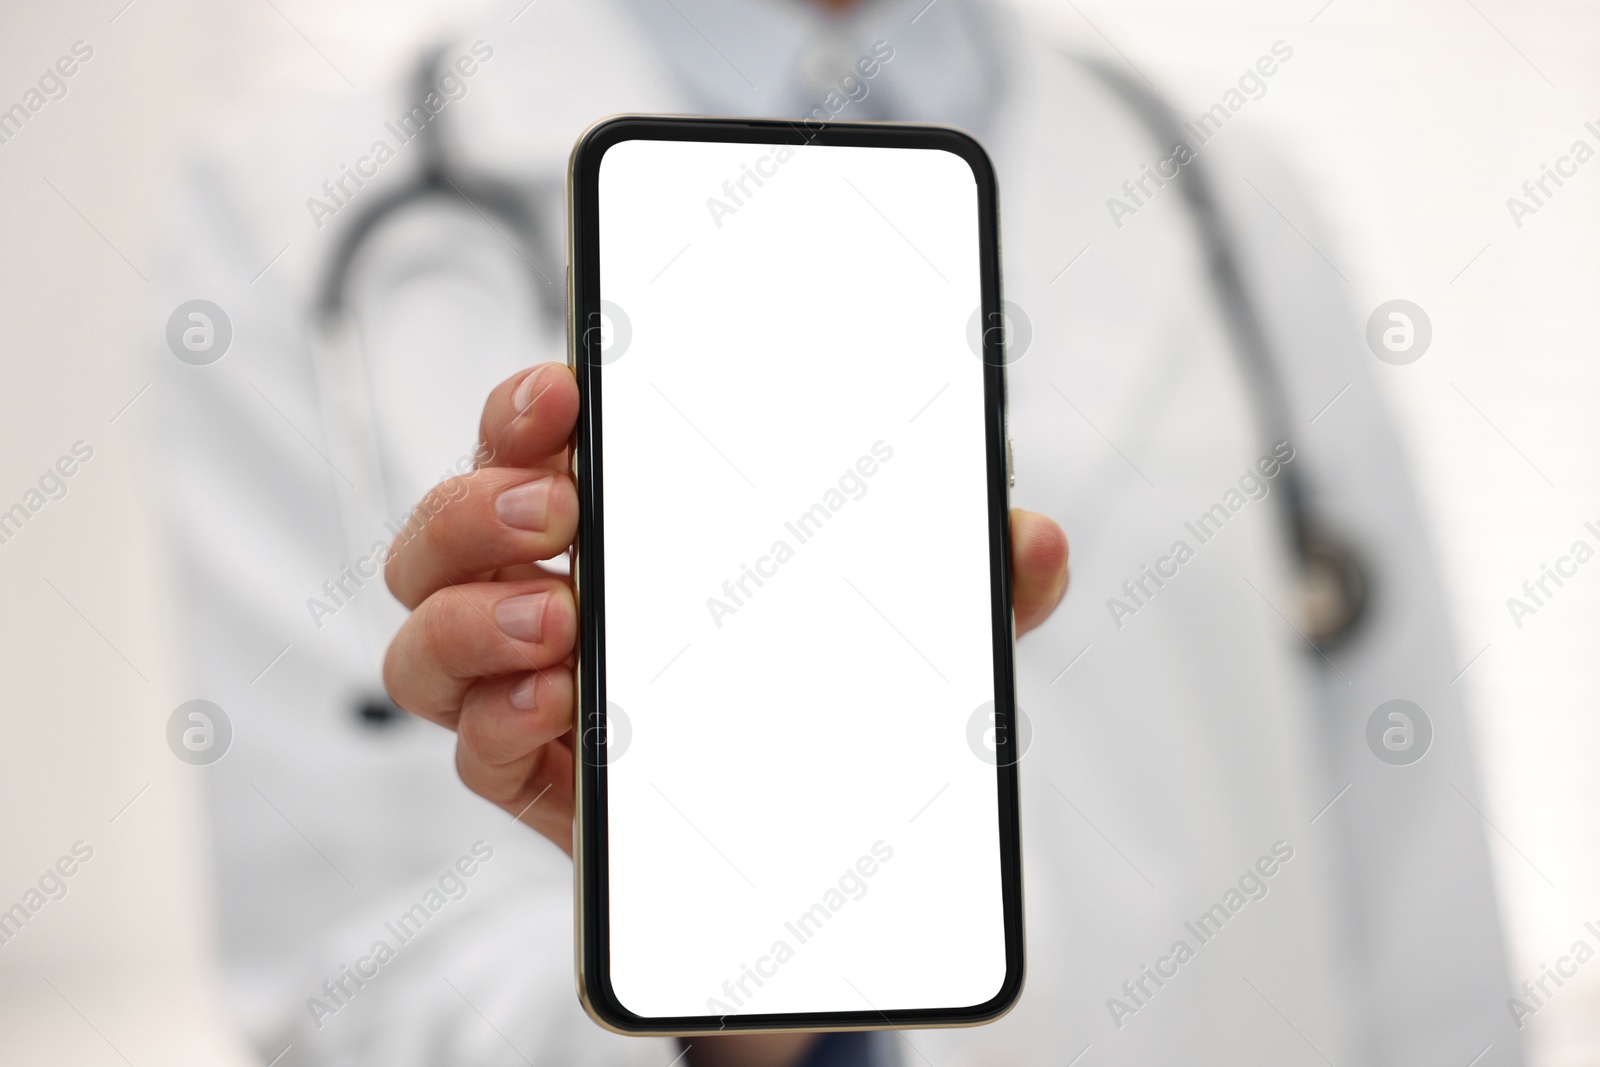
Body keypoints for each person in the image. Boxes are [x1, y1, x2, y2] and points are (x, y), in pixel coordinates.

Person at [148, 0, 1521, 1064]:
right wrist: (731, 983)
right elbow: (350, 981)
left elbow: (1421, 903)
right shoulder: (293, 212)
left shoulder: (1231, 196)